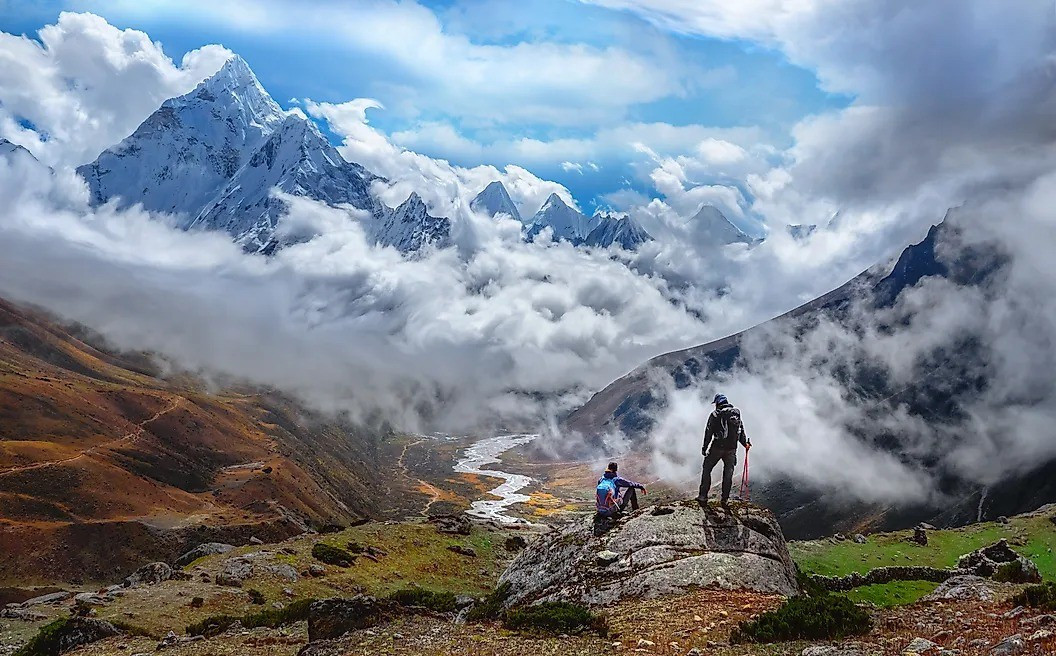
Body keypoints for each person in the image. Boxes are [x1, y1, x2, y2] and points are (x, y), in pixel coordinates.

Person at [696, 393, 751, 507]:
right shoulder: (736, 413)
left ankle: (703, 496)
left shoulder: (715, 415)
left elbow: (708, 432)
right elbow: (740, 430)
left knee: (707, 469)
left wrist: (704, 448)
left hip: (717, 448)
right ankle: (725, 499)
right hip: (731, 449)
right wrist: (745, 443)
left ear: (717, 403)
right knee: (728, 474)